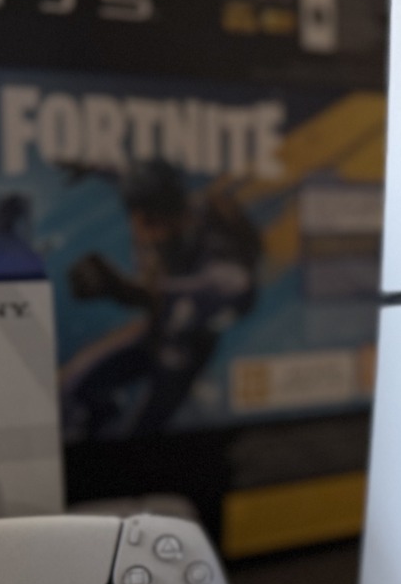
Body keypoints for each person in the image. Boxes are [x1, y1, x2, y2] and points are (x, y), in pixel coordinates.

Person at [58, 159, 261, 440]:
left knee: (143, 428)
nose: (143, 233)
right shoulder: (155, 209)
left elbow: (231, 285)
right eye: (138, 219)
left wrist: (125, 289)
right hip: (155, 332)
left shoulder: (213, 233)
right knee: (76, 388)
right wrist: (93, 167)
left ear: (174, 214)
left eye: (151, 222)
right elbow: (129, 180)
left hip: (187, 346)